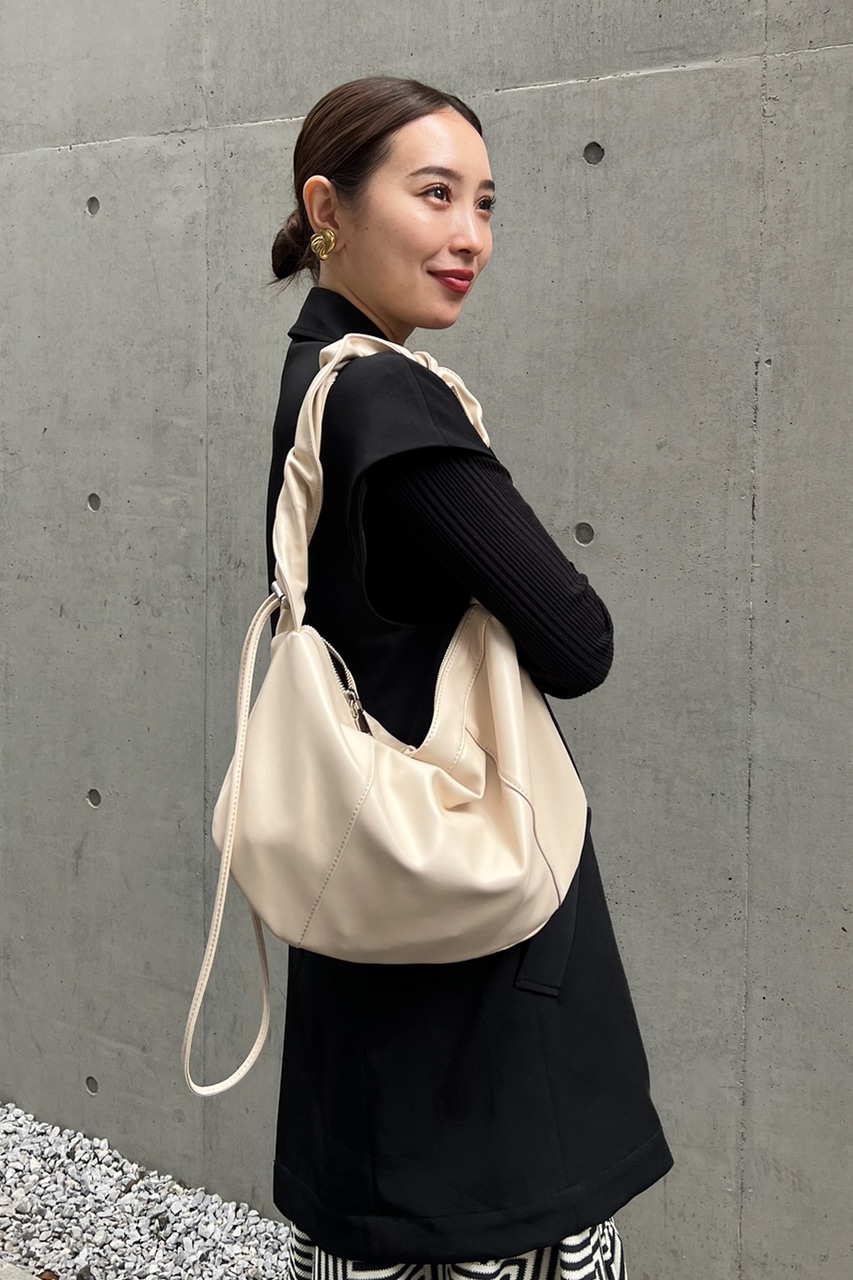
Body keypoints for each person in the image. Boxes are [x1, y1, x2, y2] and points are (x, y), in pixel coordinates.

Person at [264, 76, 672, 1280]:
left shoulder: (312, 377)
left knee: (381, 1227)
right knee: (499, 1229)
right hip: (470, 943)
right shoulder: (390, 399)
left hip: (373, 892)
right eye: (434, 194)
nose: (469, 237)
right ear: (327, 207)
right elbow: (577, 641)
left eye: (484, 203)